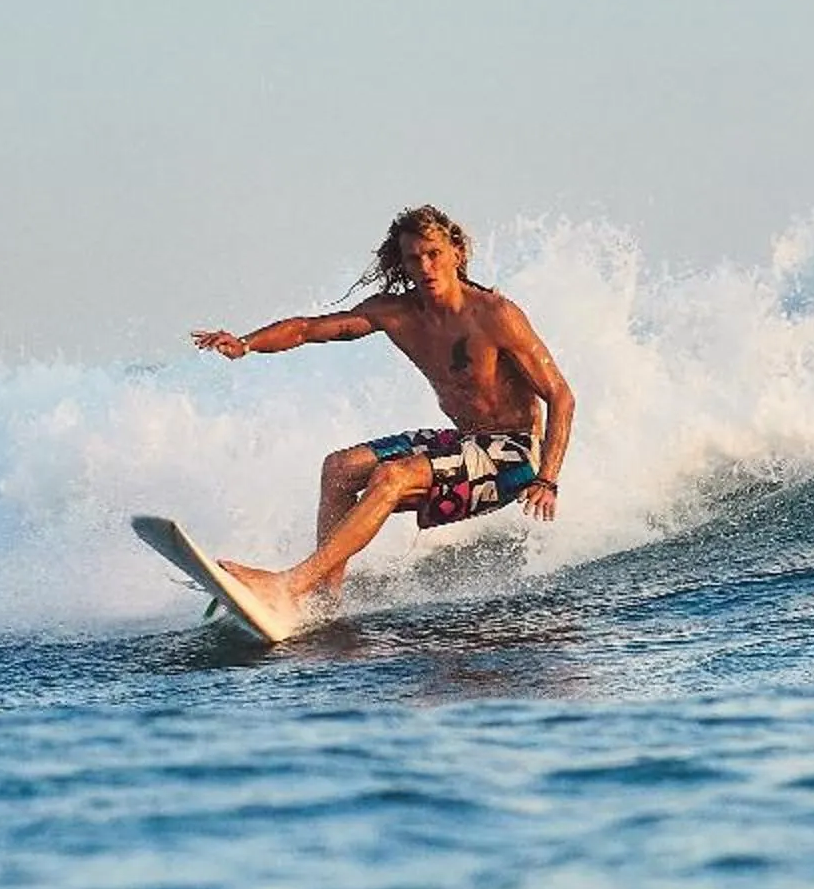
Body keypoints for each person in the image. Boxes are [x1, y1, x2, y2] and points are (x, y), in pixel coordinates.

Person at [189, 205, 574, 633]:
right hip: (467, 442)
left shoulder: (496, 315)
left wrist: (548, 478)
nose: (425, 267)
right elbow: (307, 329)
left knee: (392, 476)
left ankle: (290, 584)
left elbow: (561, 396)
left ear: (456, 253)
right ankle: (322, 604)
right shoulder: (397, 313)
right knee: (339, 468)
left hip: (514, 455)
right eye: (413, 258)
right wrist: (246, 344)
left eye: (433, 254)